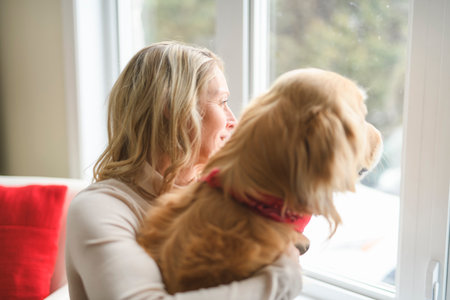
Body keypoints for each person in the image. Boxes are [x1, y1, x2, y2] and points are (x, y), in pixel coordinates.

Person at [65, 41, 303, 300]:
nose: (233, 120)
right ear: (173, 107)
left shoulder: (216, 197)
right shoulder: (101, 208)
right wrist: (281, 278)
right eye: (222, 102)